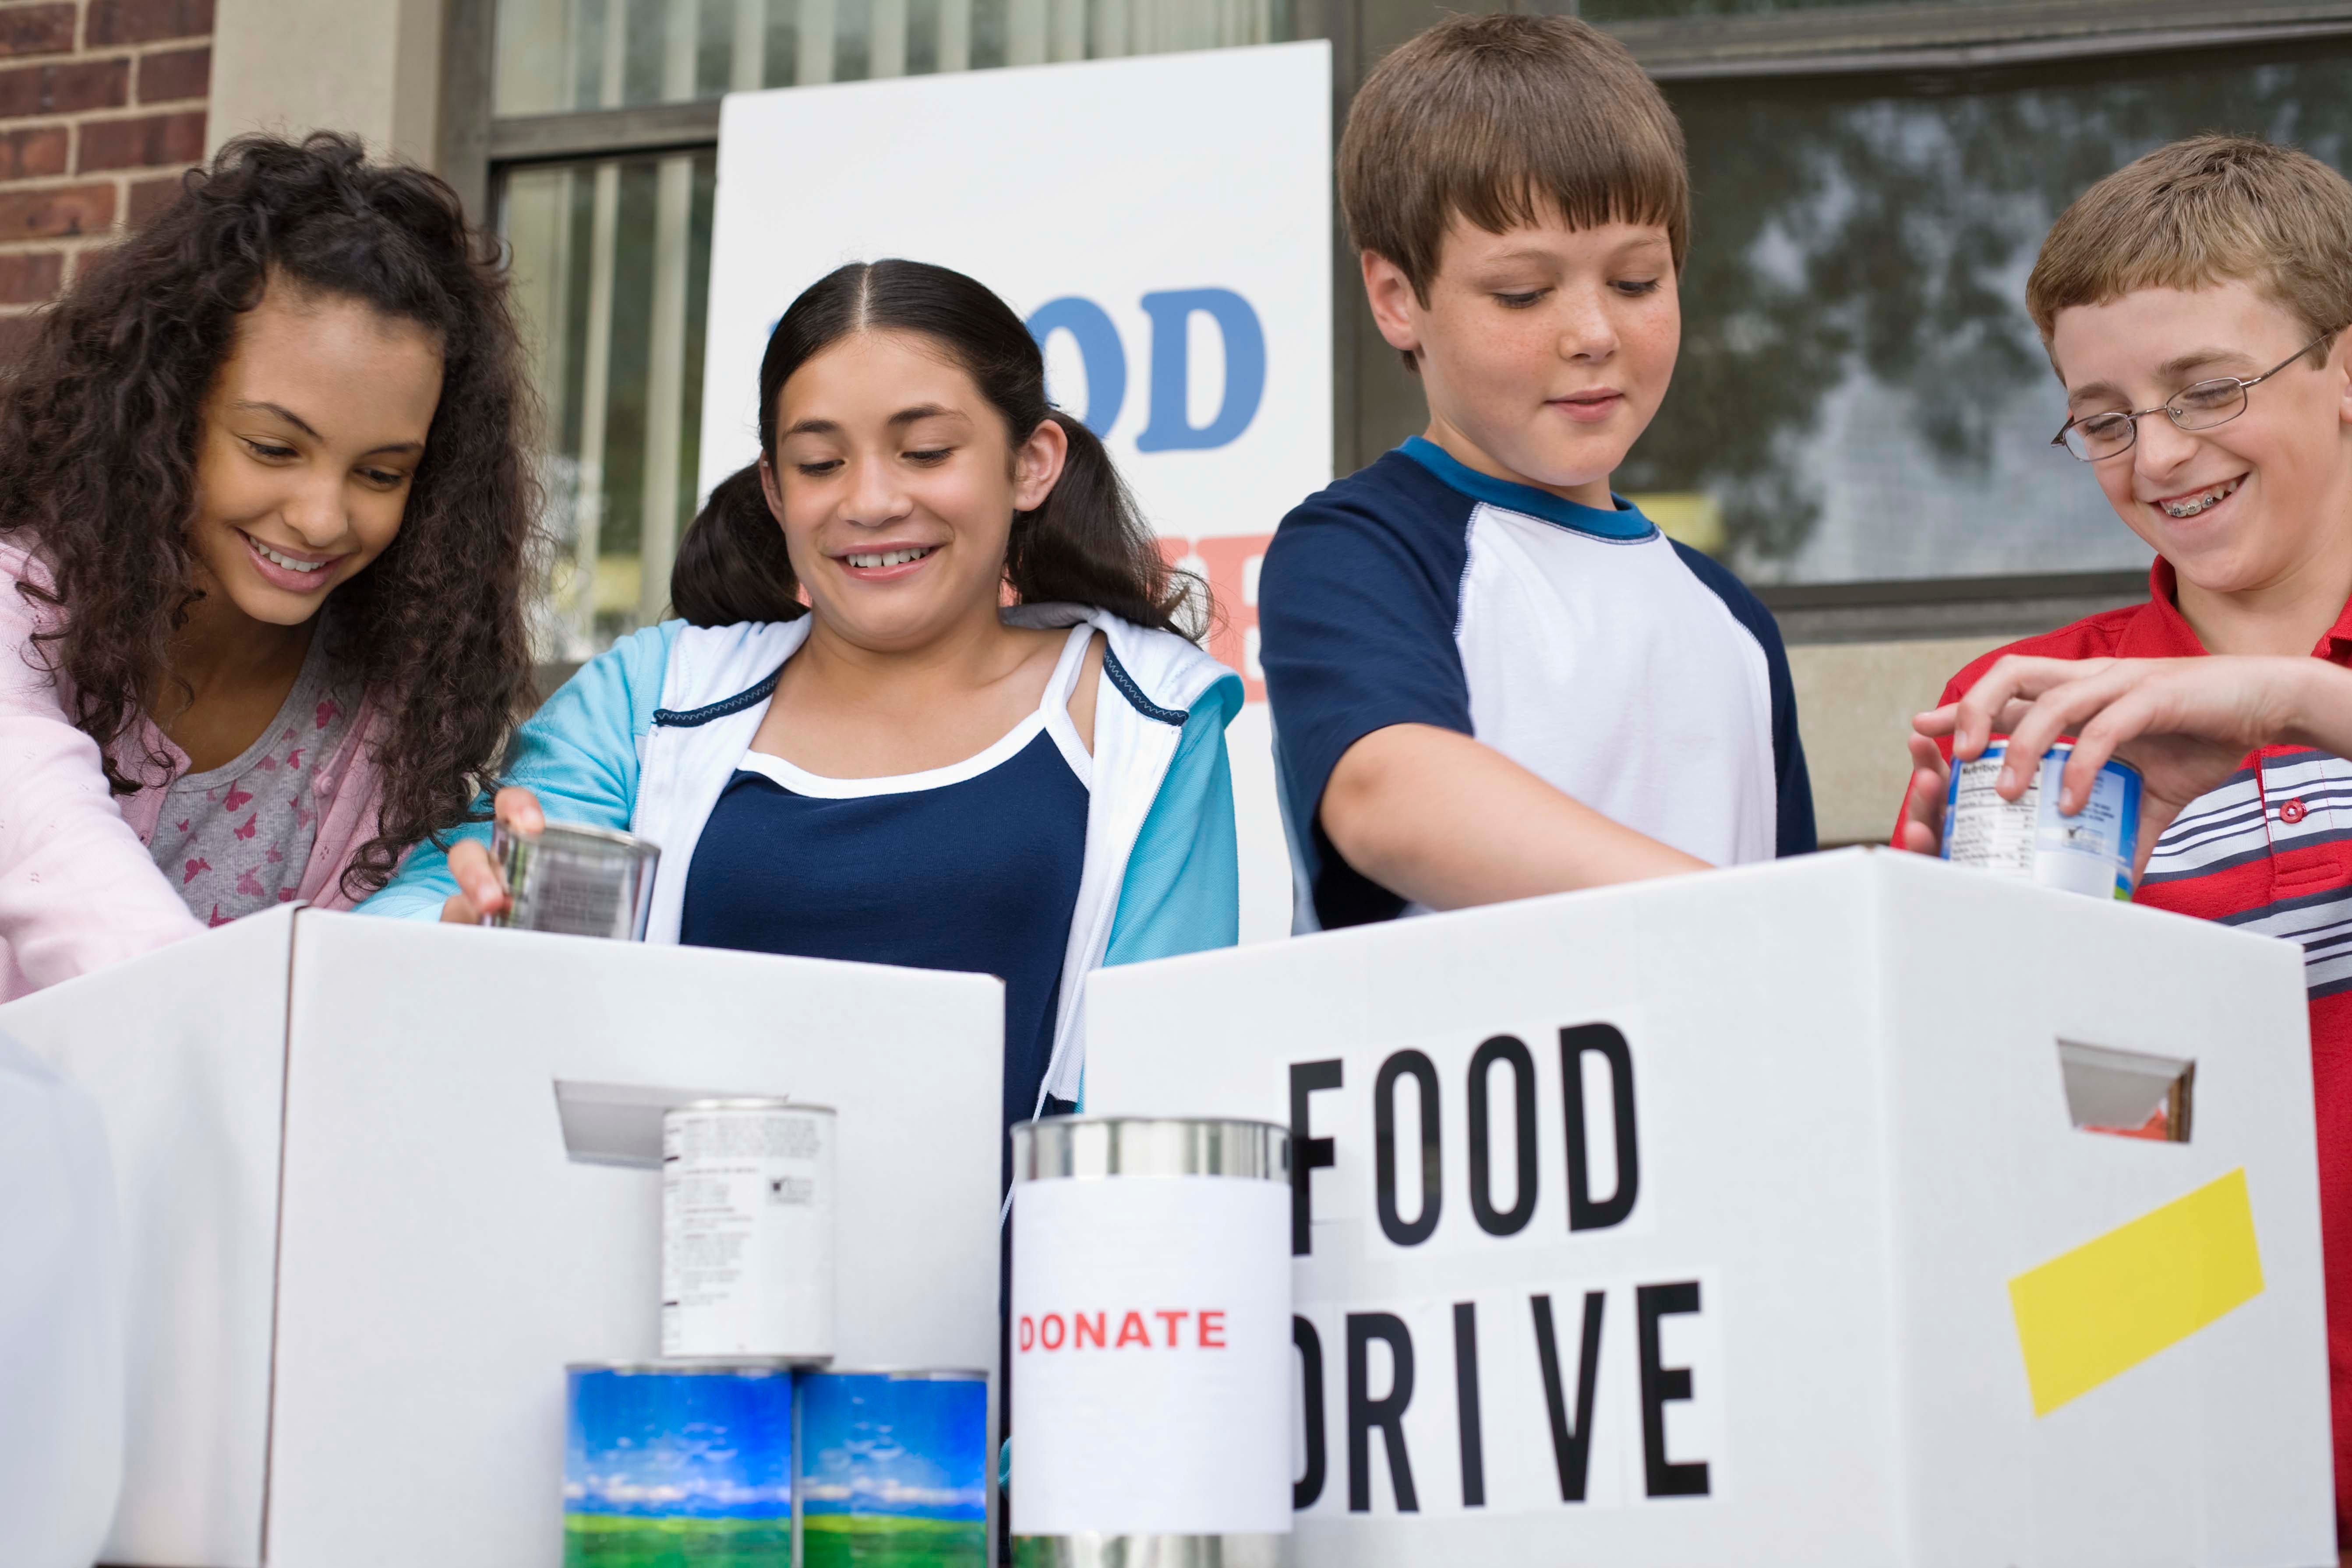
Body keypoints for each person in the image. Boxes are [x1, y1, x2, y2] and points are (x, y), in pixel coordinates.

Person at [360, 258, 1242, 1145]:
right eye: (821, 463)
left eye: (927, 451)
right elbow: (404, 925)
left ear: (1032, 463)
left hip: (1024, 1277)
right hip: (677, 1267)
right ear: (777, 490)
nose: (871, 501)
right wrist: (457, 924)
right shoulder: (650, 697)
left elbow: (1160, 1082)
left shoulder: (1148, 715)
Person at [1893, 134, 2352, 1546]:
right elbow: (2020, 1146)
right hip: (2189, 1459)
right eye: (2099, 416)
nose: (2158, 453)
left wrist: (2292, 699)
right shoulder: (2041, 709)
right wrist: (1923, 953)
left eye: (2209, 389)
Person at [1257, 12, 1813, 934]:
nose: (1592, 334)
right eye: (1523, 292)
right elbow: (1389, 796)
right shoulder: (1360, 546)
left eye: (1637, 281)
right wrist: (1740, 913)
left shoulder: (1735, 622)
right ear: (1398, 298)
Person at [0, 131, 540, 1001]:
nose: (323, 516)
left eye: (381, 473)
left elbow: (333, 995)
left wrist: (428, 953)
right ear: (168, 411)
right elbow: (42, 840)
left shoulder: (393, 706)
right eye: (274, 446)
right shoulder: (22, 607)